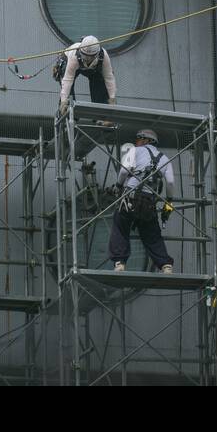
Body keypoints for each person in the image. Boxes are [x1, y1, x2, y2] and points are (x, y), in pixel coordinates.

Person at [110, 128, 175, 273]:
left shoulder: (134, 151)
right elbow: (170, 182)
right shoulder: (164, 158)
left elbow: (124, 171)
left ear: (145, 140)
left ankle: (120, 262)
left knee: (120, 228)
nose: (136, 142)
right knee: (152, 235)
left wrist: (119, 186)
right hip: (149, 203)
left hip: (130, 198)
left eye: (138, 139)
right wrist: (169, 201)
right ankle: (165, 265)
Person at [58, 35, 117, 112]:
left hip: (93, 69)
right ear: (80, 52)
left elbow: (109, 77)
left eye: (90, 57)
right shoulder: (74, 56)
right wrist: (63, 101)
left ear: (97, 54)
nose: (88, 59)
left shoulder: (104, 56)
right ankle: (68, 111)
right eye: (85, 56)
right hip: (69, 62)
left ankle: (101, 115)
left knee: (99, 81)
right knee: (68, 90)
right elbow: (67, 80)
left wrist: (112, 98)